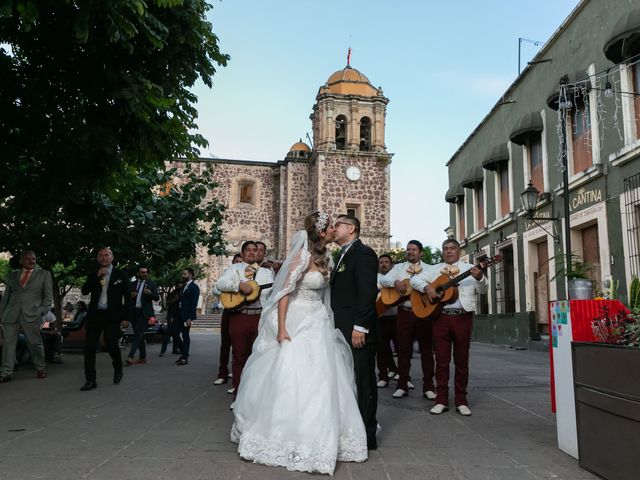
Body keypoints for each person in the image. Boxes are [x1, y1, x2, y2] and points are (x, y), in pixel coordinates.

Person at [231, 212, 367, 475]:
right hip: (297, 320)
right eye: (330, 227)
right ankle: (285, 432)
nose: (333, 230)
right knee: (293, 374)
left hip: (319, 320)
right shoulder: (302, 256)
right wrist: (282, 328)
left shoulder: (326, 257)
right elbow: (284, 292)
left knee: (325, 377)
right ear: (320, 232)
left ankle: (326, 433)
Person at [410, 238, 488, 416]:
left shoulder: (470, 269)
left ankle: (461, 400)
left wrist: (481, 277)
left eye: (453, 248)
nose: (449, 251)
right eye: (445, 249)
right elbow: (414, 280)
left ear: (459, 251)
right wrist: (427, 287)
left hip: (463, 318)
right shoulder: (434, 269)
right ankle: (441, 400)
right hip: (441, 318)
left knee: (462, 361)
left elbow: (484, 290)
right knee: (442, 361)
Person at [330, 213, 379, 451]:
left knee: (364, 378)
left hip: (357, 329)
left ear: (351, 228)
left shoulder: (364, 253)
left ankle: (368, 434)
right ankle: (353, 427)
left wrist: (361, 326)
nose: (333, 228)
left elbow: (368, 292)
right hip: (341, 327)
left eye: (337, 224)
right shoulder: (341, 254)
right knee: (349, 378)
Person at [216, 241, 273, 404]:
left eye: (255, 250)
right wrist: (238, 285)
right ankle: (238, 396)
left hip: (260, 318)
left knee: (258, 357)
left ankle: (254, 398)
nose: (252, 253)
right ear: (242, 254)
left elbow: (272, 294)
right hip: (240, 316)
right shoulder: (234, 269)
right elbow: (220, 284)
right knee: (239, 356)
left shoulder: (266, 273)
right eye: (247, 250)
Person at [379, 240, 436, 400]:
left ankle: (429, 387)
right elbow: (383, 280)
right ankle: (402, 385)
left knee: (426, 350)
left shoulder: (431, 269)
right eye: (408, 249)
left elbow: (436, 285)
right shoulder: (398, 268)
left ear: (421, 253)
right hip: (404, 312)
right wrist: (396, 281)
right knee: (403, 350)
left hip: (424, 313)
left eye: (414, 249)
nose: (410, 252)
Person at [80, 247, 131, 391]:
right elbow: (85, 290)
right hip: (95, 315)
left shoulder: (121, 275)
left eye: (107, 255)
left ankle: (118, 366)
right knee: (89, 348)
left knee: (111, 345)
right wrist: (97, 276)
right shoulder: (93, 274)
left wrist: (126, 317)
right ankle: (90, 380)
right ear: (97, 258)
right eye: (101, 255)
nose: (104, 257)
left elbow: (127, 298)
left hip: (112, 317)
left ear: (112, 257)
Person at [0, 250, 53, 382]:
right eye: (28, 259)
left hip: (32, 315)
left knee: (35, 343)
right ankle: (6, 372)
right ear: (21, 261)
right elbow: (6, 298)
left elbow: (47, 298)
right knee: (8, 345)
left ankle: (41, 368)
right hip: (11, 315)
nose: (32, 261)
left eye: (33, 259)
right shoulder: (12, 276)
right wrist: (1, 315)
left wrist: (41, 311)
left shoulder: (44, 274)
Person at [212, 253, 242, 386]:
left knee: (239, 346)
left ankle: (237, 376)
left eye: (240, 262)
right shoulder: (227, 275)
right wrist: (234, 289)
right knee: (225, 344)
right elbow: (216, 289)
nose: (238, 263)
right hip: (228, 311)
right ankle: (222, 373)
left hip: (241, 312)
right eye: (236, 261)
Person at [126, 265, 160, 365]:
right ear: (138, 273)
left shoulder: (151, 284)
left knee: (137, 334)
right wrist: (130, 295)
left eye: (146, 272)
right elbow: (126, 298)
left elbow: (157, 298)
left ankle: (130, 356)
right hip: (134, 312)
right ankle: (143, 357)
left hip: (144, 313)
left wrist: (150, 293)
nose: (145, 274)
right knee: (139, 335)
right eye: (142, 272)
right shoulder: (132, 284)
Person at [375, 254, 398, 388]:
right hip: (381, 318)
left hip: (396, 316)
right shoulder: (374, 278)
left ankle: (402, 375)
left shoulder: (398, 277)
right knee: (382, 348)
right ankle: (383, 376)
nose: (384, 264)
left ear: (391, 264)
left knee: (401, 348)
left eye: (386, 262)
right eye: (381, 262)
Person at [172, 268, 199, 366]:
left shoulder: (194, 287)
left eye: (185, 274)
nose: (183, 276)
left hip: (186, 316)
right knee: (174, 333)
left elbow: (194, 304)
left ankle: (184, 357)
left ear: (190, 275)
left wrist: (190, 318)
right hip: (178, 314)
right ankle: (184, 353)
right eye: (182, 274)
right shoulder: (183, 286)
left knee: (185, 335)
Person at [159, 282, 183, 357]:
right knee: (169, 333)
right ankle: (163, 351)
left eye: (181, 286)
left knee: (176, 333)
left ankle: (175, 349)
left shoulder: (183, 293)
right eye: (178, 285)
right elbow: (168, 303)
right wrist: (175, 299)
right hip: (172, 315)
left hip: (180, 316)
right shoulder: (173, 294)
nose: (180, 287)